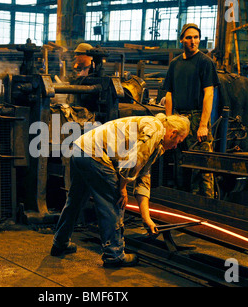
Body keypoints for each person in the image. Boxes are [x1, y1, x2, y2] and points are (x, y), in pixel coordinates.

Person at [51, 113, 190, 268]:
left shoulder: (156, 142)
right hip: (95, 154)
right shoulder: (156, 129)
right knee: (114, 202)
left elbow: (143, 177)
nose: (177, 146)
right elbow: (133, 160)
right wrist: (122, 187)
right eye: (180, 141)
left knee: (75, 201)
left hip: (80, 149)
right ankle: (114, 254)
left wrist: (146, 218)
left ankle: (60, 242)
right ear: (173, 133)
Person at [163, 23, 220, 198]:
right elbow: (169, 93)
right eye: (189, 37)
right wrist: (168, 121)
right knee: (181, 164)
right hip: (179, 118)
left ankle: (207, 206)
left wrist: (203, 124)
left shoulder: (205, 62)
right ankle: (186, 204)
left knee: (202, 166)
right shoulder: (175, 64)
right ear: (182, 40)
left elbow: (208, 94)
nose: (193, 41)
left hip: (196, 118)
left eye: (196, 37)